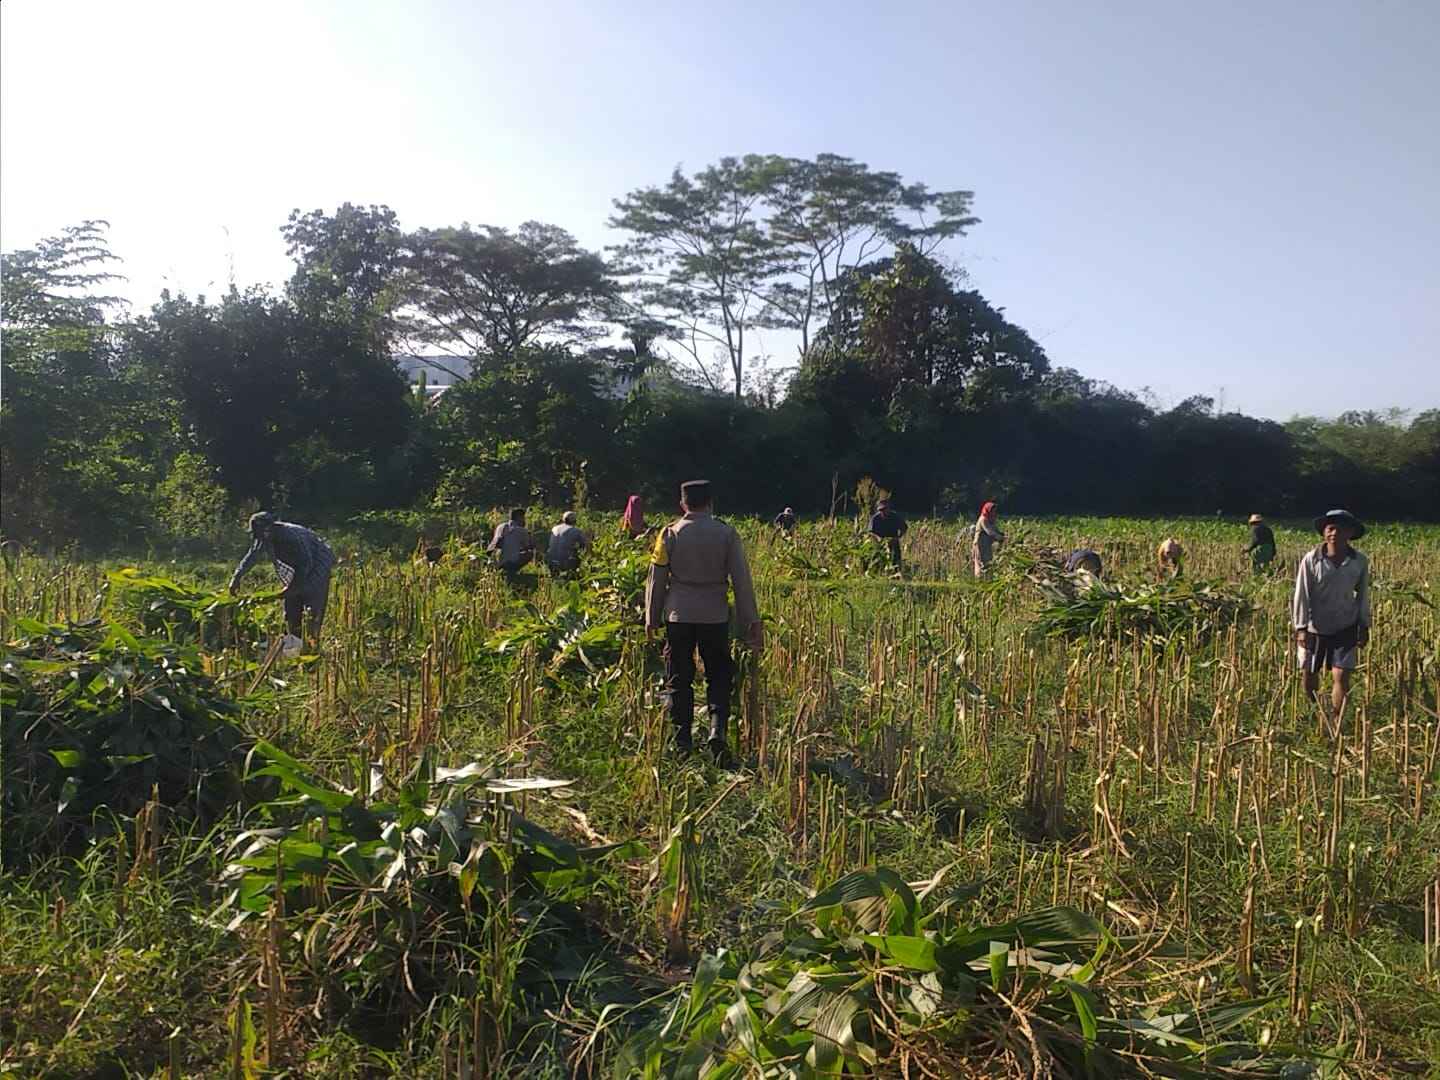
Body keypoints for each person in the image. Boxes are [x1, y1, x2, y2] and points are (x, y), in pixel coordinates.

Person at [645, 480, 762, 764]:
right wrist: (751, 623)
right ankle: (716, 732)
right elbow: (742, 582)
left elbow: (657, 577)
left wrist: (652, 616)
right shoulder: (726, 534)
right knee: (719, 675)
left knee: (678, 678)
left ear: (682, 504)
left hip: (678, 617)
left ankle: (682, 740)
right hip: (715, 616)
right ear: (710, 502)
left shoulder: (668, 534)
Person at [1293, 509, 1370, 719]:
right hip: (1314, 627)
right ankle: (1314, 711)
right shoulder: (1311, 559)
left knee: (1341, 675)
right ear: (1324, 533)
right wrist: (1301, 628)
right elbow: (1302, 594)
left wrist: (1364, 625)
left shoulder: (1359, 561)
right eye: (1330, 528)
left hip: (1346, 625)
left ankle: (1336, 720)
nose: (1333, 533)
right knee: (1309, 673)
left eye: (1339, 528)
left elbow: (1363, 595)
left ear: (1350, 533)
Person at [229, 511, 335, 654]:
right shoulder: (264, 536)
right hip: (298, 567)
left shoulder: (292, 537)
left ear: (269, 529)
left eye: (260, 534)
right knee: (291, 609)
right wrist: (236, 577)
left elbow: (305, 566)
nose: (258, 538)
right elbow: (252, 555)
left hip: (318, 564)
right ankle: (294, 644)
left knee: (311, 607)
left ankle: (312, 649)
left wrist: (288, 590)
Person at [488, 508, 535, 579]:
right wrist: (530, 537)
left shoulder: (500, 526)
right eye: (523, 518)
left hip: (494, 562)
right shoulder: (522, 531)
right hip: (508, 564)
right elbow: (528, 547)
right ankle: (511, 571)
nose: (524, 520)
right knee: (530, 553)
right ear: (519, 517)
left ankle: (498, 569)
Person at [546, 511, 589, 575]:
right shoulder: (576, 531)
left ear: (563, 520)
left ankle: (554, 572)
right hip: (565, 562)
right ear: (575, 521)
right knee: (576, 554)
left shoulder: (555, 528)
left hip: (550, 560)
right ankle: (572, 574)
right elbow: (585, 544)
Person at [869, 499, 907, 568]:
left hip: (893, 542)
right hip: (879, 543)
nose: (882, 512)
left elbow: (904, 528)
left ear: (889, 508)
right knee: (878, 560)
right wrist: (878, 538)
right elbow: (871, 532)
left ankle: (896, 572)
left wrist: (897, 537)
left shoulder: (895, 517)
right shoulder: (875, 518)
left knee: (896, 561)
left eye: (884, 509)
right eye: (881, 510)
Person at [971, 501, 1005, 577]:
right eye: (992, 511)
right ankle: (980, 581)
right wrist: (1000, 538)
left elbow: (995, 530)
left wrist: (1001, 534)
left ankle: (987, 579)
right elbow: (989, 532)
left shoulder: (990, 520)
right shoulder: (983, 519)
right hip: (980, 544)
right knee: (981, 563)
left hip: (986, 544)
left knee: (988, 562)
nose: (994, 513)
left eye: (994, 511)